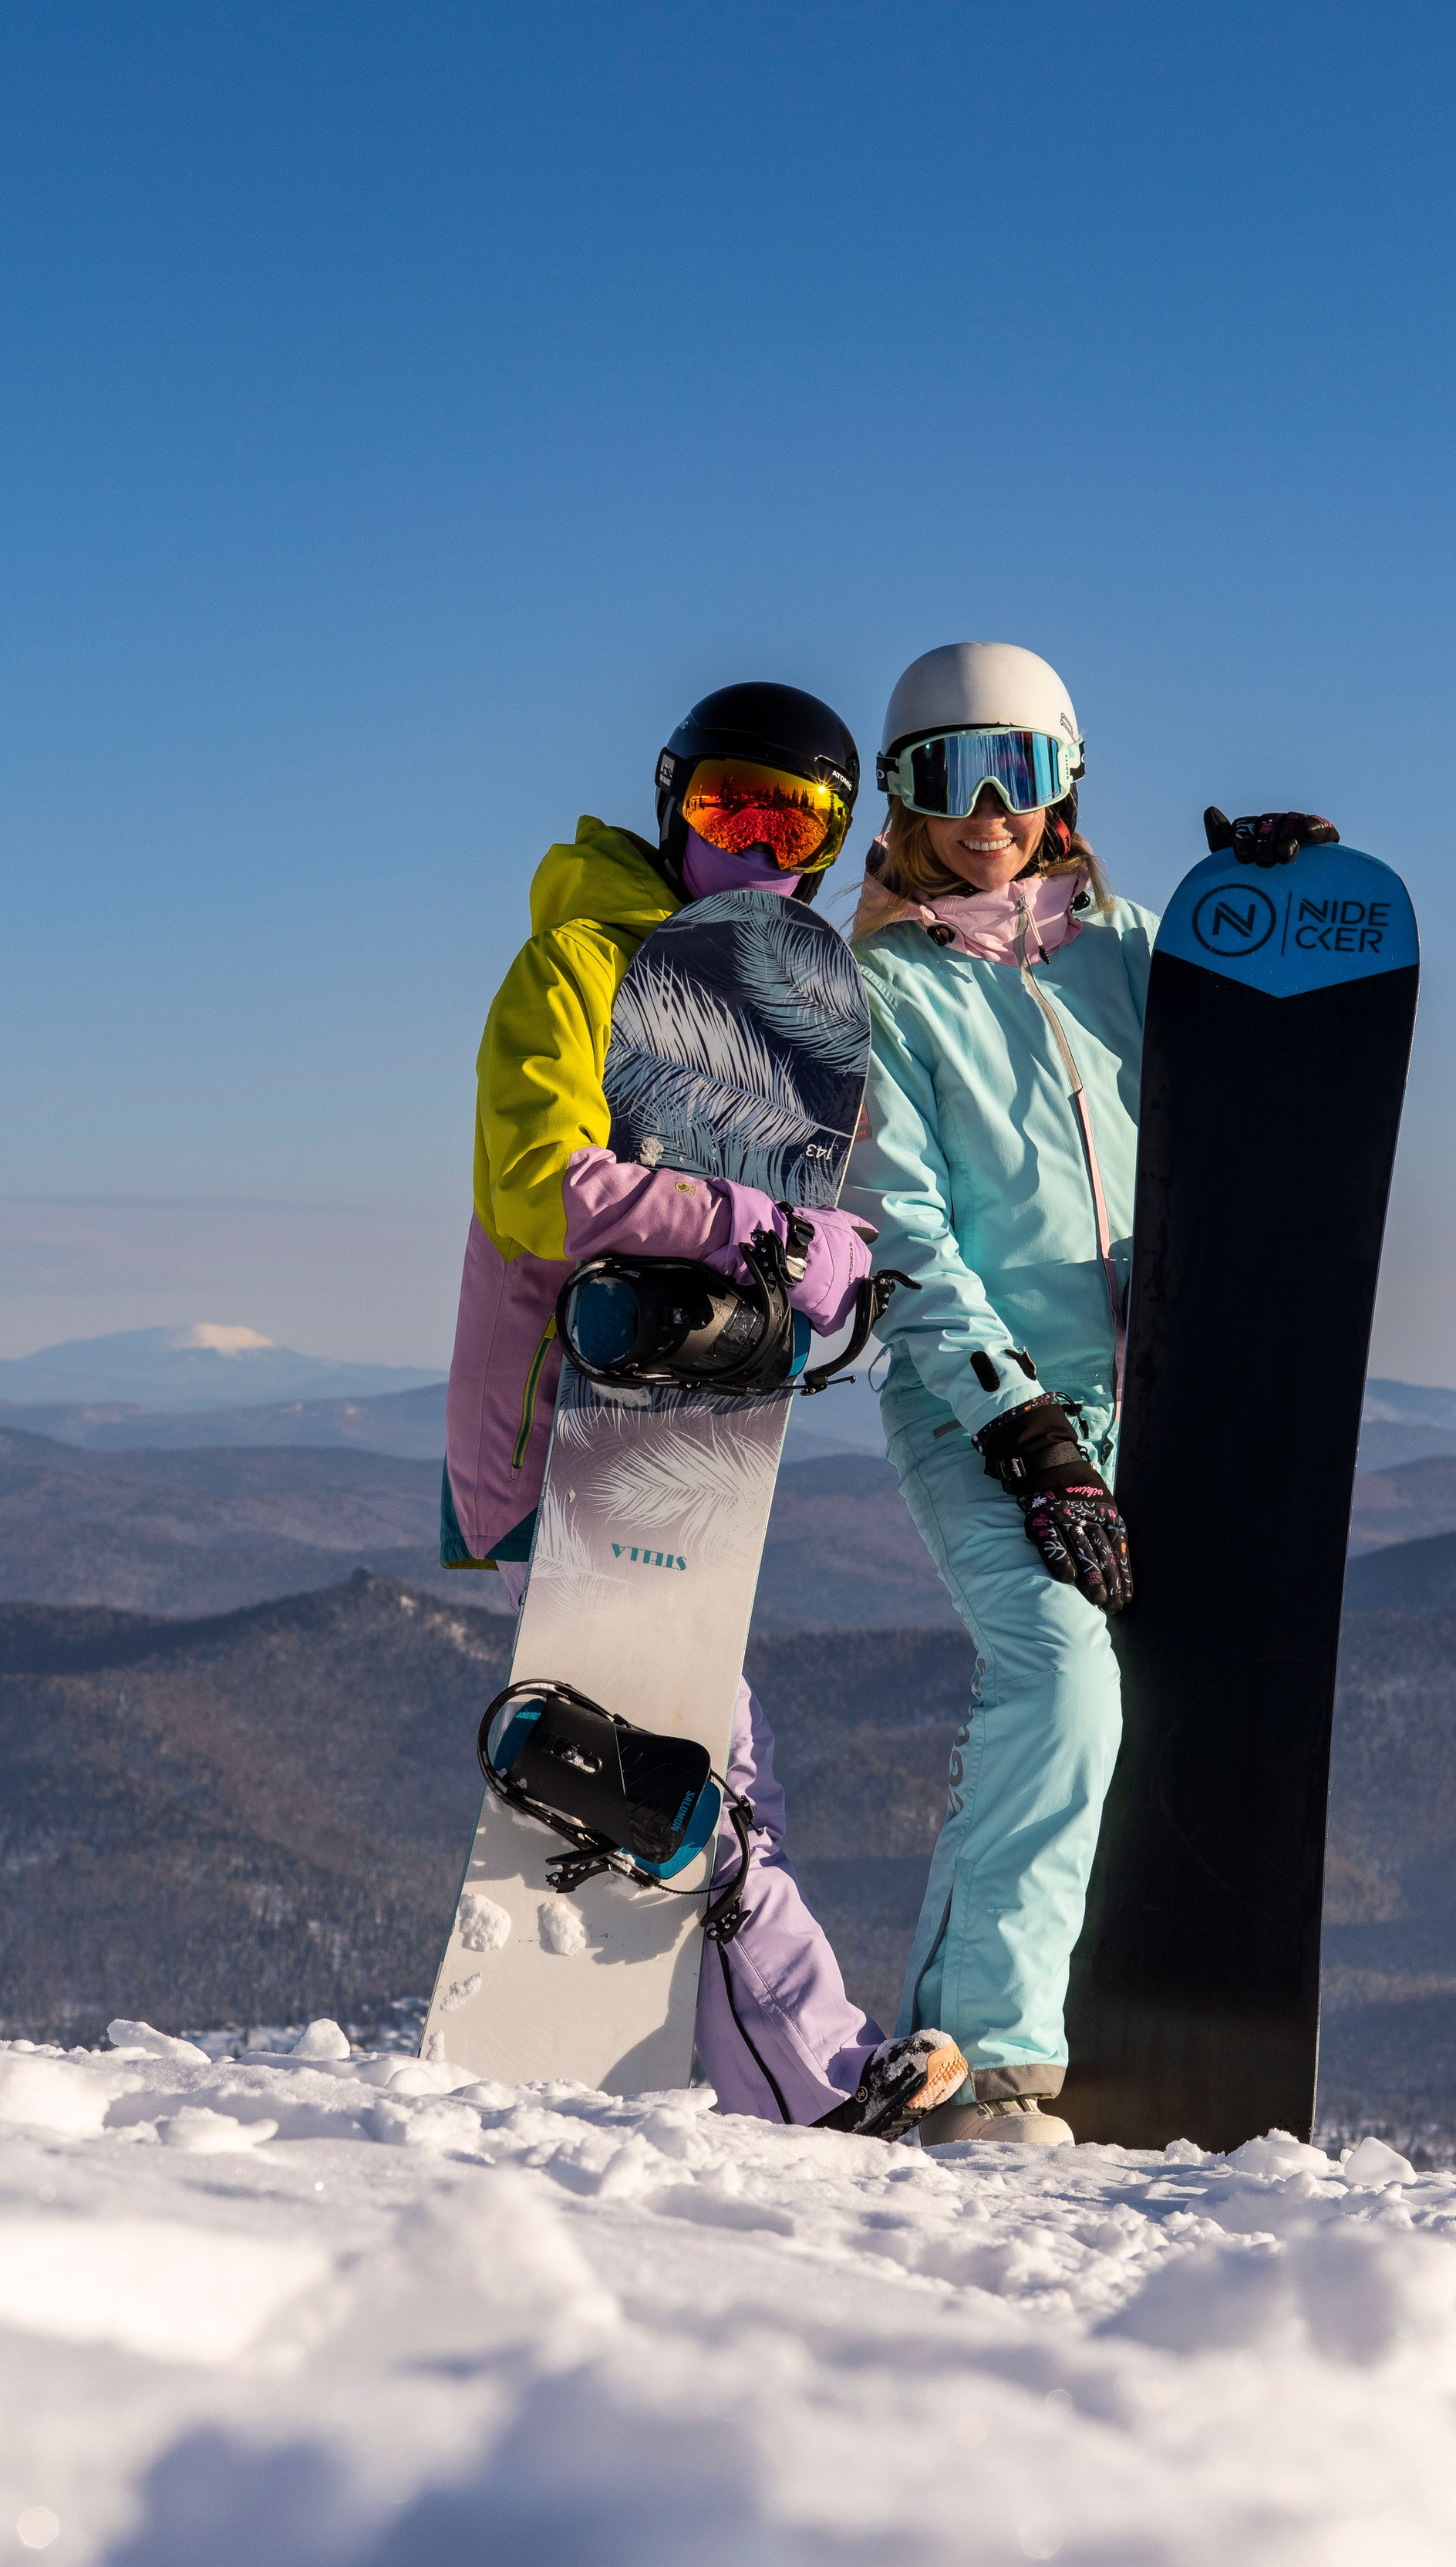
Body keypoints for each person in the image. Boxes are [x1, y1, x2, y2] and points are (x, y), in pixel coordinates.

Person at [442, 680, 966, 2143]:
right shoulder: (574, 970)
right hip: (568, 1433)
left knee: (730, 1766)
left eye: (792, 816)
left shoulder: (784, 1005)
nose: (754, 837)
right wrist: (766, 1230)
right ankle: (819, 2076)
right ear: (670, 798)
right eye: (726, 801)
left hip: (682, 1443)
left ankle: (737, 2083)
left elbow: (781, 1238)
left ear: (831, 837)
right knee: (703, 1776)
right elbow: (538, 1188)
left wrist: (835, 1280)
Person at [849, 641, 1333, 2144]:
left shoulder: (1125, 950)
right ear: (898, 797)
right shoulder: (878, 987)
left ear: (1065, 787)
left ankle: (1085, 2017)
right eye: (948, 776)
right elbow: (903, 1232)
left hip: (1173, 1403)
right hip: (981, 1408)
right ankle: (983, 2055)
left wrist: (1255, 926)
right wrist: (1025, 1428)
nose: (986, 810)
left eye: (1021, 771)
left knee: (1170, 1703)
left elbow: (1251, 1056)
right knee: (1057, 1676)